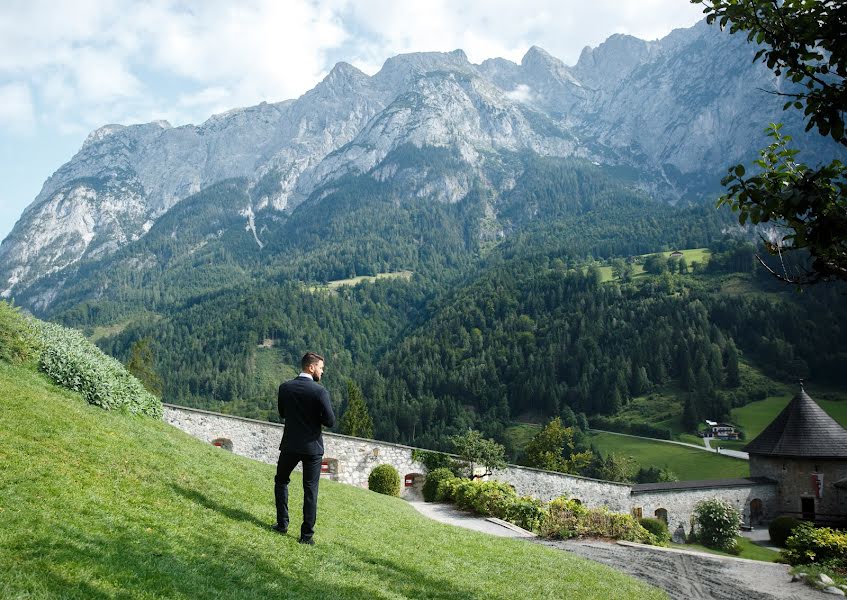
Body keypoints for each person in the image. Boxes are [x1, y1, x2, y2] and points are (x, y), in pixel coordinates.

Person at [273, 351, 336, 545]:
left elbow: (283, 413)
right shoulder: (319, 392)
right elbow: (330, 421)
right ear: (311, 367)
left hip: (290, 444)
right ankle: (306, 536)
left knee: (281, 481)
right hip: (312, 449)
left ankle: (282, 524)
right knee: (310, 490)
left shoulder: (285, 388)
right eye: (321, 368)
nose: (322, 372)